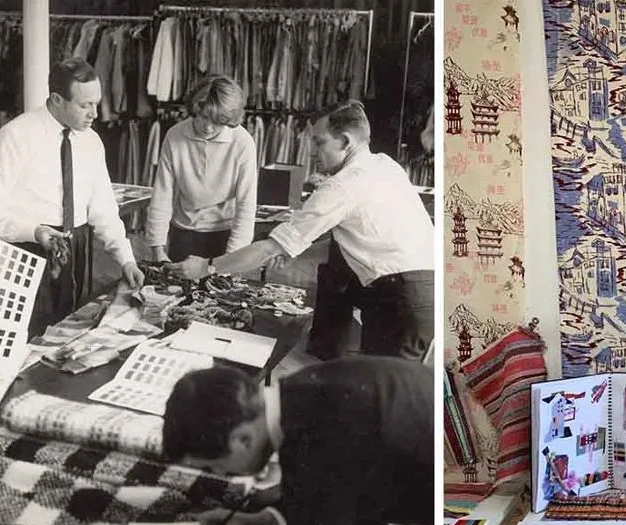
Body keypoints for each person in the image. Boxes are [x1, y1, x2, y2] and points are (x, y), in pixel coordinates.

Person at [120, 358, 433, 525]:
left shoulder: (319, 447)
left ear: (242, 438)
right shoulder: (298, 392)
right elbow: (342, 481)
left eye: (215, 466)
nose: (223, 475)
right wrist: (264, 521)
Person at [169, 100, 434, 360]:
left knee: (389, 396)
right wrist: (293, 250)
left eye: (319, 143)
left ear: (345, 142)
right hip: (420, 291)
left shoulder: (343, 185)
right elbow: (358, 238)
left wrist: (207, 266)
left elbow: (267, 249)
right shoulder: (384, 164)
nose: (312, 152)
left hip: (402, 300)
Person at [0, 57, 144, 337]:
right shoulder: (14, 136)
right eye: (85, 105)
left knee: (65, 333)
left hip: (74, 247)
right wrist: (34, 231)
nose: (95, 114)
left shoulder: (90, 141)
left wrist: (126, 259)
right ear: (56, 99)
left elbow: (103, 209)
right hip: (24, 250)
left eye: (97, 103)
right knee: (19, 336)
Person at [145, 75, 258, 262]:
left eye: (217, 121)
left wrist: (232, 258)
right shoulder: (175, 136)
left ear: (229, 120)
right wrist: (157, 247)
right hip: (184, 232)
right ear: (195, 109)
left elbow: (246, 204)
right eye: (204, 116)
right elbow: (162, 195)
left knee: (221, 290)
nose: (208, 127)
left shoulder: (243, 143)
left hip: (225, 233)